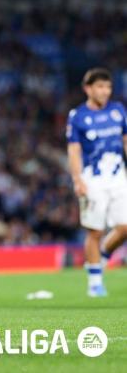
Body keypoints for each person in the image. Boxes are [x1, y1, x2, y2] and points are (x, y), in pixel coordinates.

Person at [66, 67, 127, 297]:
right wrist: (77, 179)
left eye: (108, 87)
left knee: (124, 228)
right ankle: (94, 282)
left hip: (118, 177)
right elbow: (73, 150)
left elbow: (125, 141)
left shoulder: (118, 111)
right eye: (100, 87)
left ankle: (101, 256)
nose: (105, 91)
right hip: (93, 180)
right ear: (88, 89)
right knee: (95, 230)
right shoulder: (78, 116)